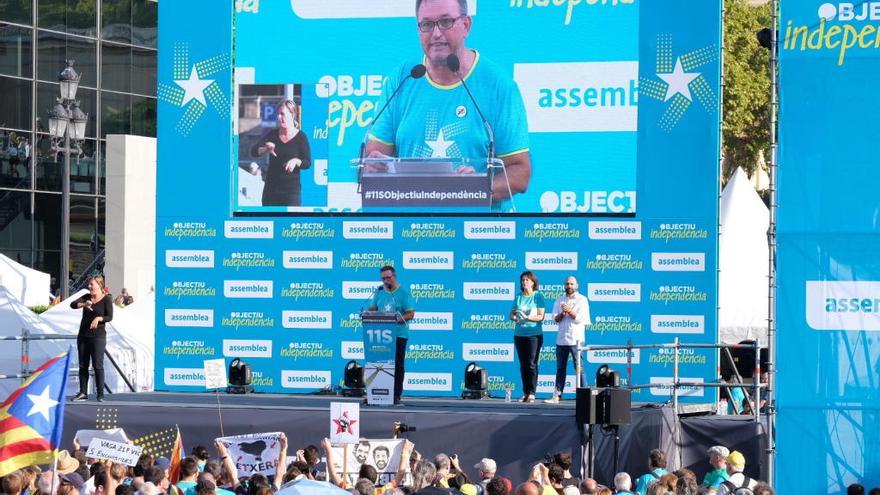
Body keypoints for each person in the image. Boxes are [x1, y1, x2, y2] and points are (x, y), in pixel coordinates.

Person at [364, 0, 531, 205]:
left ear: (466, 25)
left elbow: (520, 173)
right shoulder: (402, 78)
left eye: (445, 22)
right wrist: (371, 166)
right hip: (408, 226)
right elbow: (373, 156)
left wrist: (475, 189)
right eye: (426, 24)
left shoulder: (498, 85)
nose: (436, 34)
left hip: (475, 230)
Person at [367, 265, 415, 405]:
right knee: (379, 364)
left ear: (394, 276)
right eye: (383, 278)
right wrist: (367, 313)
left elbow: (410, 314)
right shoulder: (379, 291)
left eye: (388, 278)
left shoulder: (404, 292)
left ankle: (395, 395)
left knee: (397, 365)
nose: (385, 281)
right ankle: (377, 394)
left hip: (399, 334)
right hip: (381, 335)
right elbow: (372, 309)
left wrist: (395, 319)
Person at [250, 99, 311, 206]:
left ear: (292, 115)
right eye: (278, 114)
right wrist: (265, 148)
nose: (279, 117)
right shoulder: (272, 134)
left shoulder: (301, 137)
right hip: (271, 191)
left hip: (291, 193)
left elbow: (307, 163)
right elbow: (254, 152)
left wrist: (296, 161)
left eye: (282, 114)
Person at [545, 276, 590, 403]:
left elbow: (582, 319)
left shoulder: (582, 300)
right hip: (561, 339)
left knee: (579, 367)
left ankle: (585, 396)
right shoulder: (559, 300)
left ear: (576, 286)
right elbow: (554, 319)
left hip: (576, 339)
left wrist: (570, 311)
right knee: (560, 368)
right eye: (567, 284)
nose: (569, 286)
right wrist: (562, 314)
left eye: (571, 284)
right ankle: (557, 395)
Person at [71, 275, 114, 402]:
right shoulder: (86, 297)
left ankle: (100, 394)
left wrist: (99, 318)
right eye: (89, 284)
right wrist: (84, 304)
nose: (89, 287)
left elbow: (109, 316)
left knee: (97, 365)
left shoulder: (106, 299)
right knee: (83, 365)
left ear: (99, 285)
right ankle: (83, 392)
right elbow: (72, 305)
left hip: (98, 337)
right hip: (83, 336)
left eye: (92, 284)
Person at [510, 271, 545, 403]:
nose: (524, 282)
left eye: (527, 280)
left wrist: (527, 318)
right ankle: (525, 392)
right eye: (523, 280)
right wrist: (514, 318)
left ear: (533, 282)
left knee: (531, 364)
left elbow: (541, 316)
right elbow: (511, 314)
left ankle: (531, 393)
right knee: (523, 365)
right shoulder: (518, 297)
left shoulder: (538, 296)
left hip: (533, 335)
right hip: (519, 334)